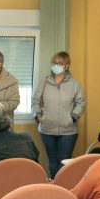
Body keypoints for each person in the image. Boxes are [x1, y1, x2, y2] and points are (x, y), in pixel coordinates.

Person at [32, 51, 85, 179]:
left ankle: (64, 187)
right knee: (52, 160)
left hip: (68, 131)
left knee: (64, 161)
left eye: (60, 63)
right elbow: (35, 100)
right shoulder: (44, 82)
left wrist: (73, 117)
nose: (56, 65)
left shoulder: (74, 84)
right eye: (54, 62)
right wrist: (38, 116)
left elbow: (80, 103)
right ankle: (54, 187)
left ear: (66, 66)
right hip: (46, 129)